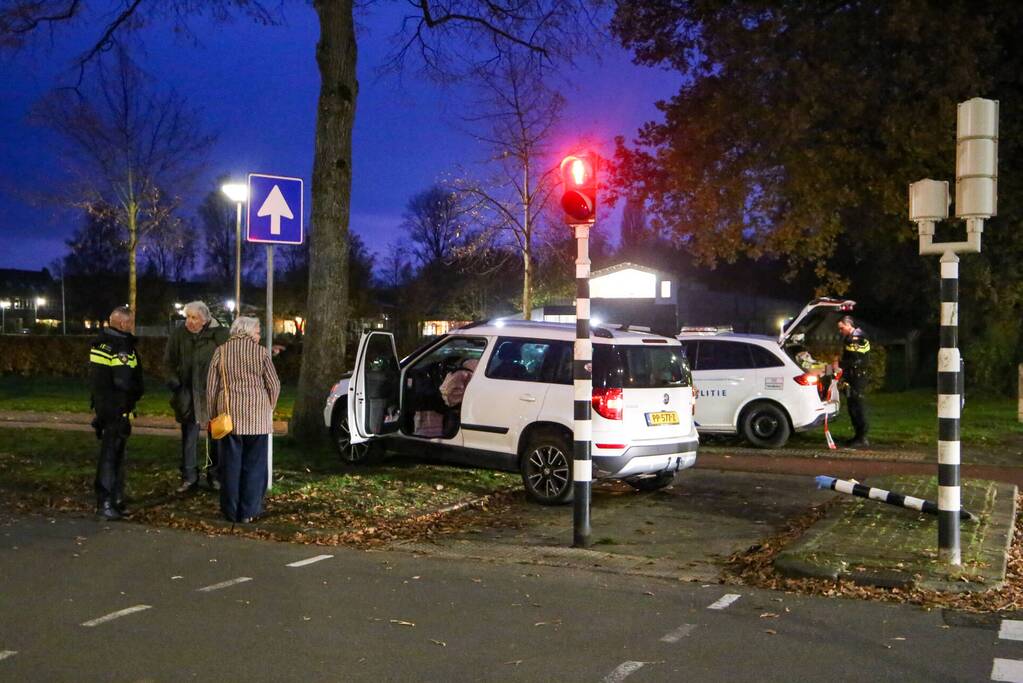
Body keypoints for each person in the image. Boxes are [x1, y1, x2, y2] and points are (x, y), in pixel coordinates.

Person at [206, 316, 280, 524]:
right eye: (257, 332)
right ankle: (250, 510)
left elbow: (212, 387)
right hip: (257, 418)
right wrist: (269, 406)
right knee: (255, 466)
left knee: (230, 465)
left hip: (229, 417)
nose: (259, 336)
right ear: (247, 331)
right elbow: (274, 384)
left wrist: (212, 415)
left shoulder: (221, 351)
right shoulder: (261, 353)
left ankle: (230, 510)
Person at [164, 301, 229, 493]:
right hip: (187, 393)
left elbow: (232, 359)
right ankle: (189, 476)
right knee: (189, 437)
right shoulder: (179, 335)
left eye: (194, 318)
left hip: (214, 394)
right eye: (187, 317)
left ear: (205, 319)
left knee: (216, 436)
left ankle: (215, 475)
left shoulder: (221, 335)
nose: (189, 322)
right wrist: (174, 383)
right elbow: (168, 361)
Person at [89, 306, 144, 520]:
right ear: (123, 323)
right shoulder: (120, 346)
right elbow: (123, 380)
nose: (132, 326)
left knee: (114, 455)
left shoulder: (102, 343)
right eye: (130, 322)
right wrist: (134, 395)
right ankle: (106, 503)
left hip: (105, 407)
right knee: (111, 457)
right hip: (117, 408)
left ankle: (114, 499)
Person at [837, 315, 871, 448]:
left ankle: (862, 437)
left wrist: (837, 365)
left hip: (857, 377)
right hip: (852, 376)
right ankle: (858, 436)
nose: (840, 331)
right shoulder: (851, 337)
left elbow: (854, 359)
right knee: (852, 407)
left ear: (848, 325)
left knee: (857, 406)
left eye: (841, 328)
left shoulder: (857, 338)